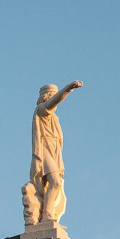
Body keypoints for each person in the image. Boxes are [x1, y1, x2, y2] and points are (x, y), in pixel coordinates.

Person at [29, 80, 83, 222]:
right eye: (52, 95)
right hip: (45, 147)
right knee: (55, 182)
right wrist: (68, 88)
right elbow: (55, 101)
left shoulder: (54, 117)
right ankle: (46, 214)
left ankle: (48, 212)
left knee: (56, 184)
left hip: (54, 150)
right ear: (46, 96)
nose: (55, 99)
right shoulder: (41, 110)